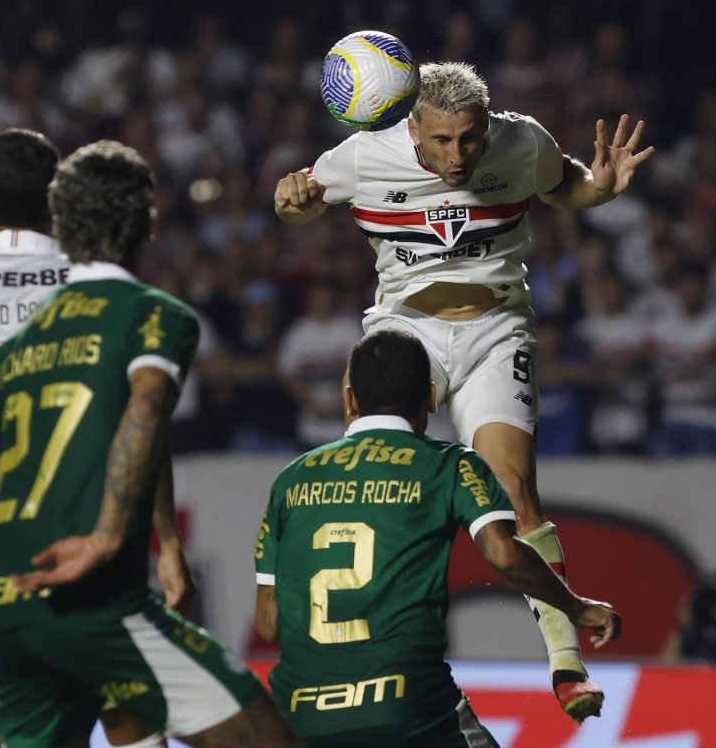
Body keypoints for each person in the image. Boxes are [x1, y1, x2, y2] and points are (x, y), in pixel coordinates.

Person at [274, 60, 652, 721]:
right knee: (370, 487)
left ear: (488, 126)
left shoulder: (521, 140)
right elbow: (292, 202)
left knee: (514, 488)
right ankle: (354, 654)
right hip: (402, 333)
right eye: (442, 140)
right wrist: (292, 201)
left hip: (497, 330)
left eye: (470, 139)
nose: (457, 155)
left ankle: (566, 663)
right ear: (412, 124)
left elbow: (568, 187)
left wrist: (603, 189)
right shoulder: (362, 156)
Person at [0, 140, 300, 747]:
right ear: (148, 224)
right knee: (262, 735)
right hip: (92, 601)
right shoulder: (154, 314)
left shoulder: (28, 339)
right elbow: (146, 406)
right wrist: (115, 536)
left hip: (6, 606)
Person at [0, 128, 185, 748]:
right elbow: (147, 422)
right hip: (98, 557)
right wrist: (169, 541)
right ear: (59, 201)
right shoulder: (102, 289)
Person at [253, 329, 622, 746]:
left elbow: (269, 624)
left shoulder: (292, 479)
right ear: (431, 397)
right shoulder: (450, 465)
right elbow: (503, 554)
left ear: (350, 399)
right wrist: (576, 607)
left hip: (298, 719)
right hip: (410, 710)